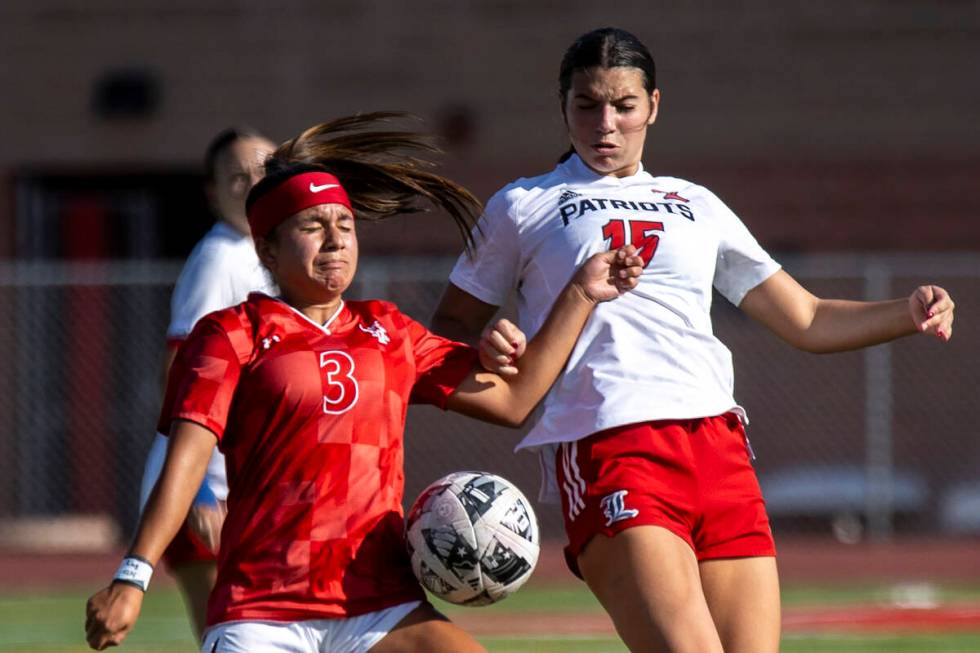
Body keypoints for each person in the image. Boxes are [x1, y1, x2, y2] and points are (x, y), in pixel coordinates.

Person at [430, 27, 956, 653]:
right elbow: (449, 328)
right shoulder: (523, 206)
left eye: (624, 106)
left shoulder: (697, 204)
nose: (606, 123)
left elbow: (807, 319)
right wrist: (492, 340)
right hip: (611, 446)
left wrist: (908, 311)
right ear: (563, 106)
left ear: (653, 104)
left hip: (720, 449)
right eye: (587, 105)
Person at [85, 113, 644, 653]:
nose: (335, 241)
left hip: (381, 606)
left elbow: (516, 400)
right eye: (312, 226)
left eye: (345, 225)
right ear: (267, 251)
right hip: (262, 610)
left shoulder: (389, 331)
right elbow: (185, 456)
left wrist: (580, 293)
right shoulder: (231, 334)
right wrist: (133, 575)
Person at [137, 127, 276, 639]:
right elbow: (179, 371)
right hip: (205, 486)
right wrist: (195, 489)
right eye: (236, 177)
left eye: (263, 171)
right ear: (213, 192)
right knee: (230, 633)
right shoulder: (222, 257)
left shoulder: (267, 255)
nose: (251, 184)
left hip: (242, 485)